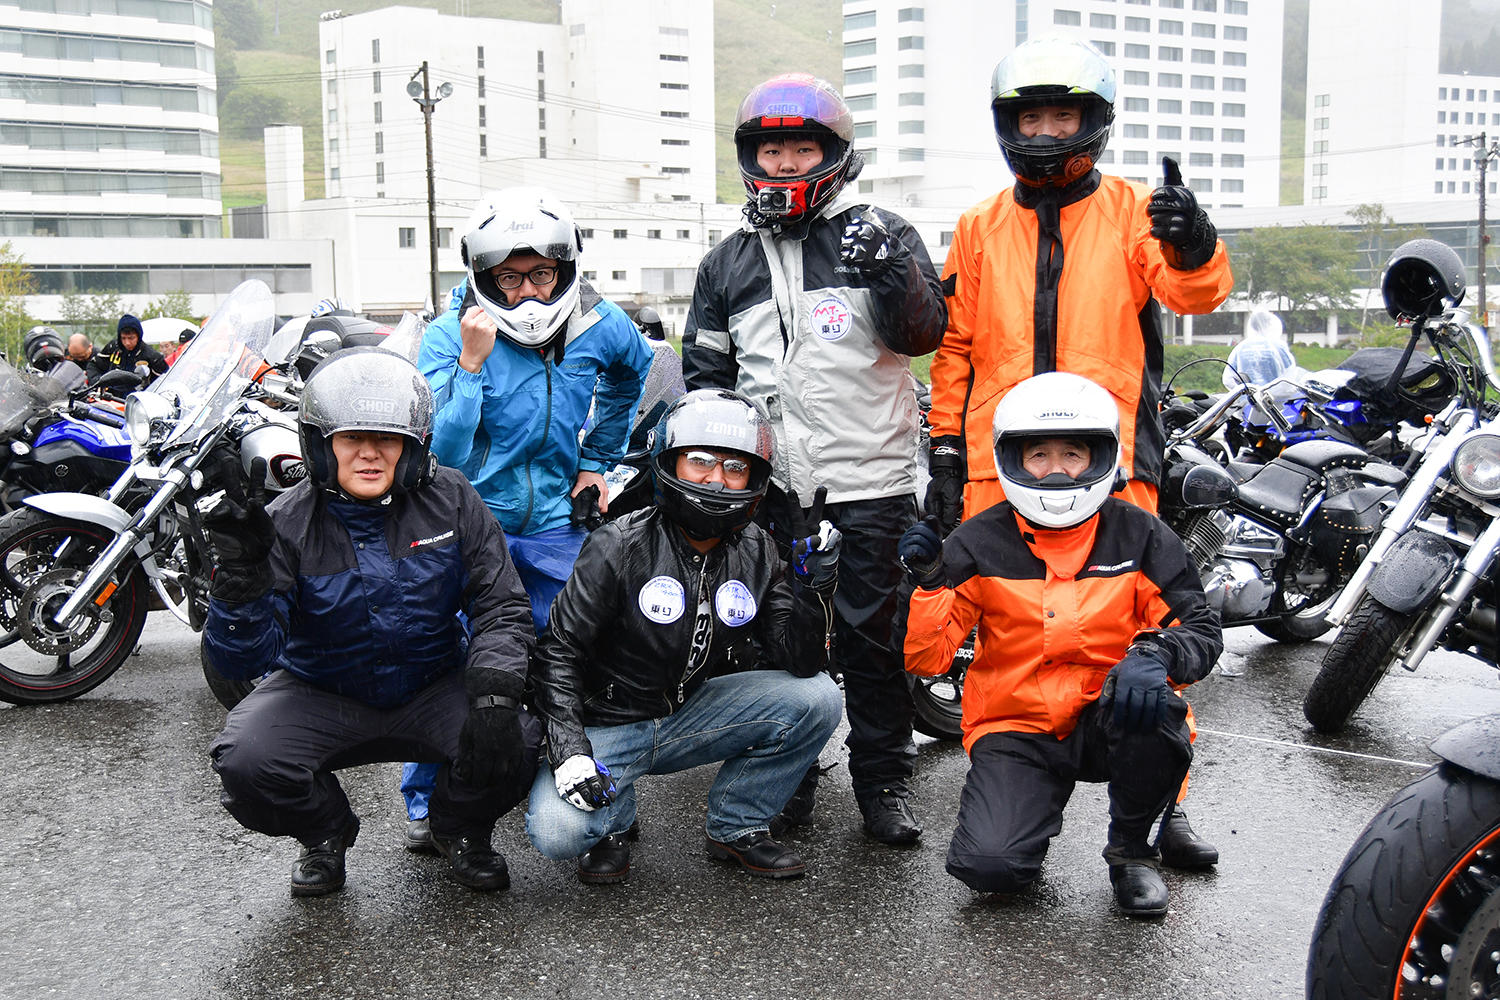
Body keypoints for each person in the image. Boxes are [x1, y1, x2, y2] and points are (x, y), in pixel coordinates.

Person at [923, 34, 1232, 866]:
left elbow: (1192, 289)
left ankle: (1164, 805)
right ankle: (1018, 774)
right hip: (998, 466)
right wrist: (948, 460)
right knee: (1003, 632)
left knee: (1142, 629)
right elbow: (954, 346)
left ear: (1092, 122)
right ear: (1008, 124)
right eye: (1033, 115)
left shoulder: (1135, 211)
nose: (1048, 130)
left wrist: (1192, 238)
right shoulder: (979, 226)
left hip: (1115, 458)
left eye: (1063, 114)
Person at [682, 73, 947, 846]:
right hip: (768, 491)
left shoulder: (881, 231)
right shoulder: (725, 263)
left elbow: (923, 335)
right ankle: (787, 780)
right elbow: (707, 380)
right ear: (750, 158)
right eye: (774, 149)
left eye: (803, 148)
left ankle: (883, 785)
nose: (788, 163)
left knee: (874, 640)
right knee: (773, 642)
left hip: (872, 479)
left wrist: (892, 272)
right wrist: (722, 478)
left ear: (833, 154)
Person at [204, 347, 540, 896]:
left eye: (385, 439)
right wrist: (240, 583)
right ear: (320, 445)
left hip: (433, 683)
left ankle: (458, 829)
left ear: (411, 446)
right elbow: (244, 660)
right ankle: (325, 835)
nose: (369, 454)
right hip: (322, 689)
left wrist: (496, 689)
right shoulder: (286, 521)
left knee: (517, 735)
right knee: (246, 758)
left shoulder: (452, 496)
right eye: (351, 439)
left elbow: (501, 604)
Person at [895, 372, 1222, 917]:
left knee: (1154, 705)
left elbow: (1202, 629)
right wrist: (927, 584)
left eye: (1073, 453)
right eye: (1037, 454)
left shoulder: (1140, 534)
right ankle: (1027, 814)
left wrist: (1156, 655)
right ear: (1011, 459)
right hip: (1017, 723)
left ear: (1102, 456)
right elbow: (925, 659)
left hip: (1114, 712)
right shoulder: (976, 540)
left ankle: (1132, 853)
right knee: (991, 869)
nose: (1055, 469)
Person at [408, 186, 652, 850]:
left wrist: (598, 459)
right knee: (452, 655)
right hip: (470, 520)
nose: (527, 295)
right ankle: (434, 803)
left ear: (565, 268)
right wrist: (469, 364)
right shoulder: (446, 332)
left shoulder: (599, 323)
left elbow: (635, 373)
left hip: (553, 519)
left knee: (576, 652)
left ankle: (589, 789)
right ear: (483, 277)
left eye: (541, 274)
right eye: (508, 279)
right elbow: (443, 450)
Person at [525, 388, 844, 883]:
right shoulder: (618, 544)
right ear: (669, 463)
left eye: (735, 467)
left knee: (818, 698)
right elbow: (558, 653)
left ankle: (738, 825)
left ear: (755, 478)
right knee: (557, 831)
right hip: (607, 723)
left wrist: (813, 587)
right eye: (700, 461)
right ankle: (613, 821)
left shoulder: (758, 549)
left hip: (688, 712)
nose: (717, 479)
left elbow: (799, 661)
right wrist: (570, 750)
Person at [88, 314, 168, 381]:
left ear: (138, 337)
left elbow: (165, 379)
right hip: (111, 396)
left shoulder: (152, 356)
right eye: (123, 338)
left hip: (137, 396)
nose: (127, 343)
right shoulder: (113, 348)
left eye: (131, 338)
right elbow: (93, 365)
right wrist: (98, 382)